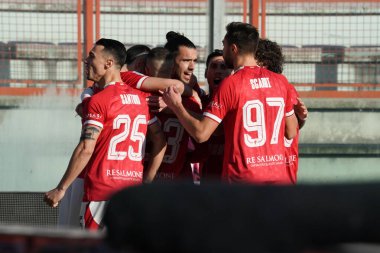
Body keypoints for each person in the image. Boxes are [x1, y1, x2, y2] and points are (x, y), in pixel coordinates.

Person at [44, 38, 166, 230]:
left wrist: (61, 189)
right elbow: (159, 138)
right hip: (131, 191)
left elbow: (86, 147)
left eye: (92, 56)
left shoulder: (99, 100)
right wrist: (147, 180)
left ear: (109, 63)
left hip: (102, 191)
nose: (86, 60)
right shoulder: (141, 99)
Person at [163, 22, 298, 184]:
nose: (223, 49)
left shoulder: (231, 84)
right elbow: (290, 131)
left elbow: (201, 134)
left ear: (233, 48)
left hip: (242, 181)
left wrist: (176, 106)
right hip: (276, 180)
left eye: (224, 45)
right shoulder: (281, 81)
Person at [255, 38, 308, 183]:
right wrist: (301, 119)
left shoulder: (280, 87)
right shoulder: (284, 85)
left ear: (263, 64)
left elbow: (289, 131)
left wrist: (300, 119)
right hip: (280, 172)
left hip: (274, 170)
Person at [152, 31, 202, 182]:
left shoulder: (193, 92)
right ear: (170, 60)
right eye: (186, 60)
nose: (192, 66)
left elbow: (206, 126)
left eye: (195, 60)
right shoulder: (146, 84)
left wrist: (175, 106)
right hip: (144, 178)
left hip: (178, 178)